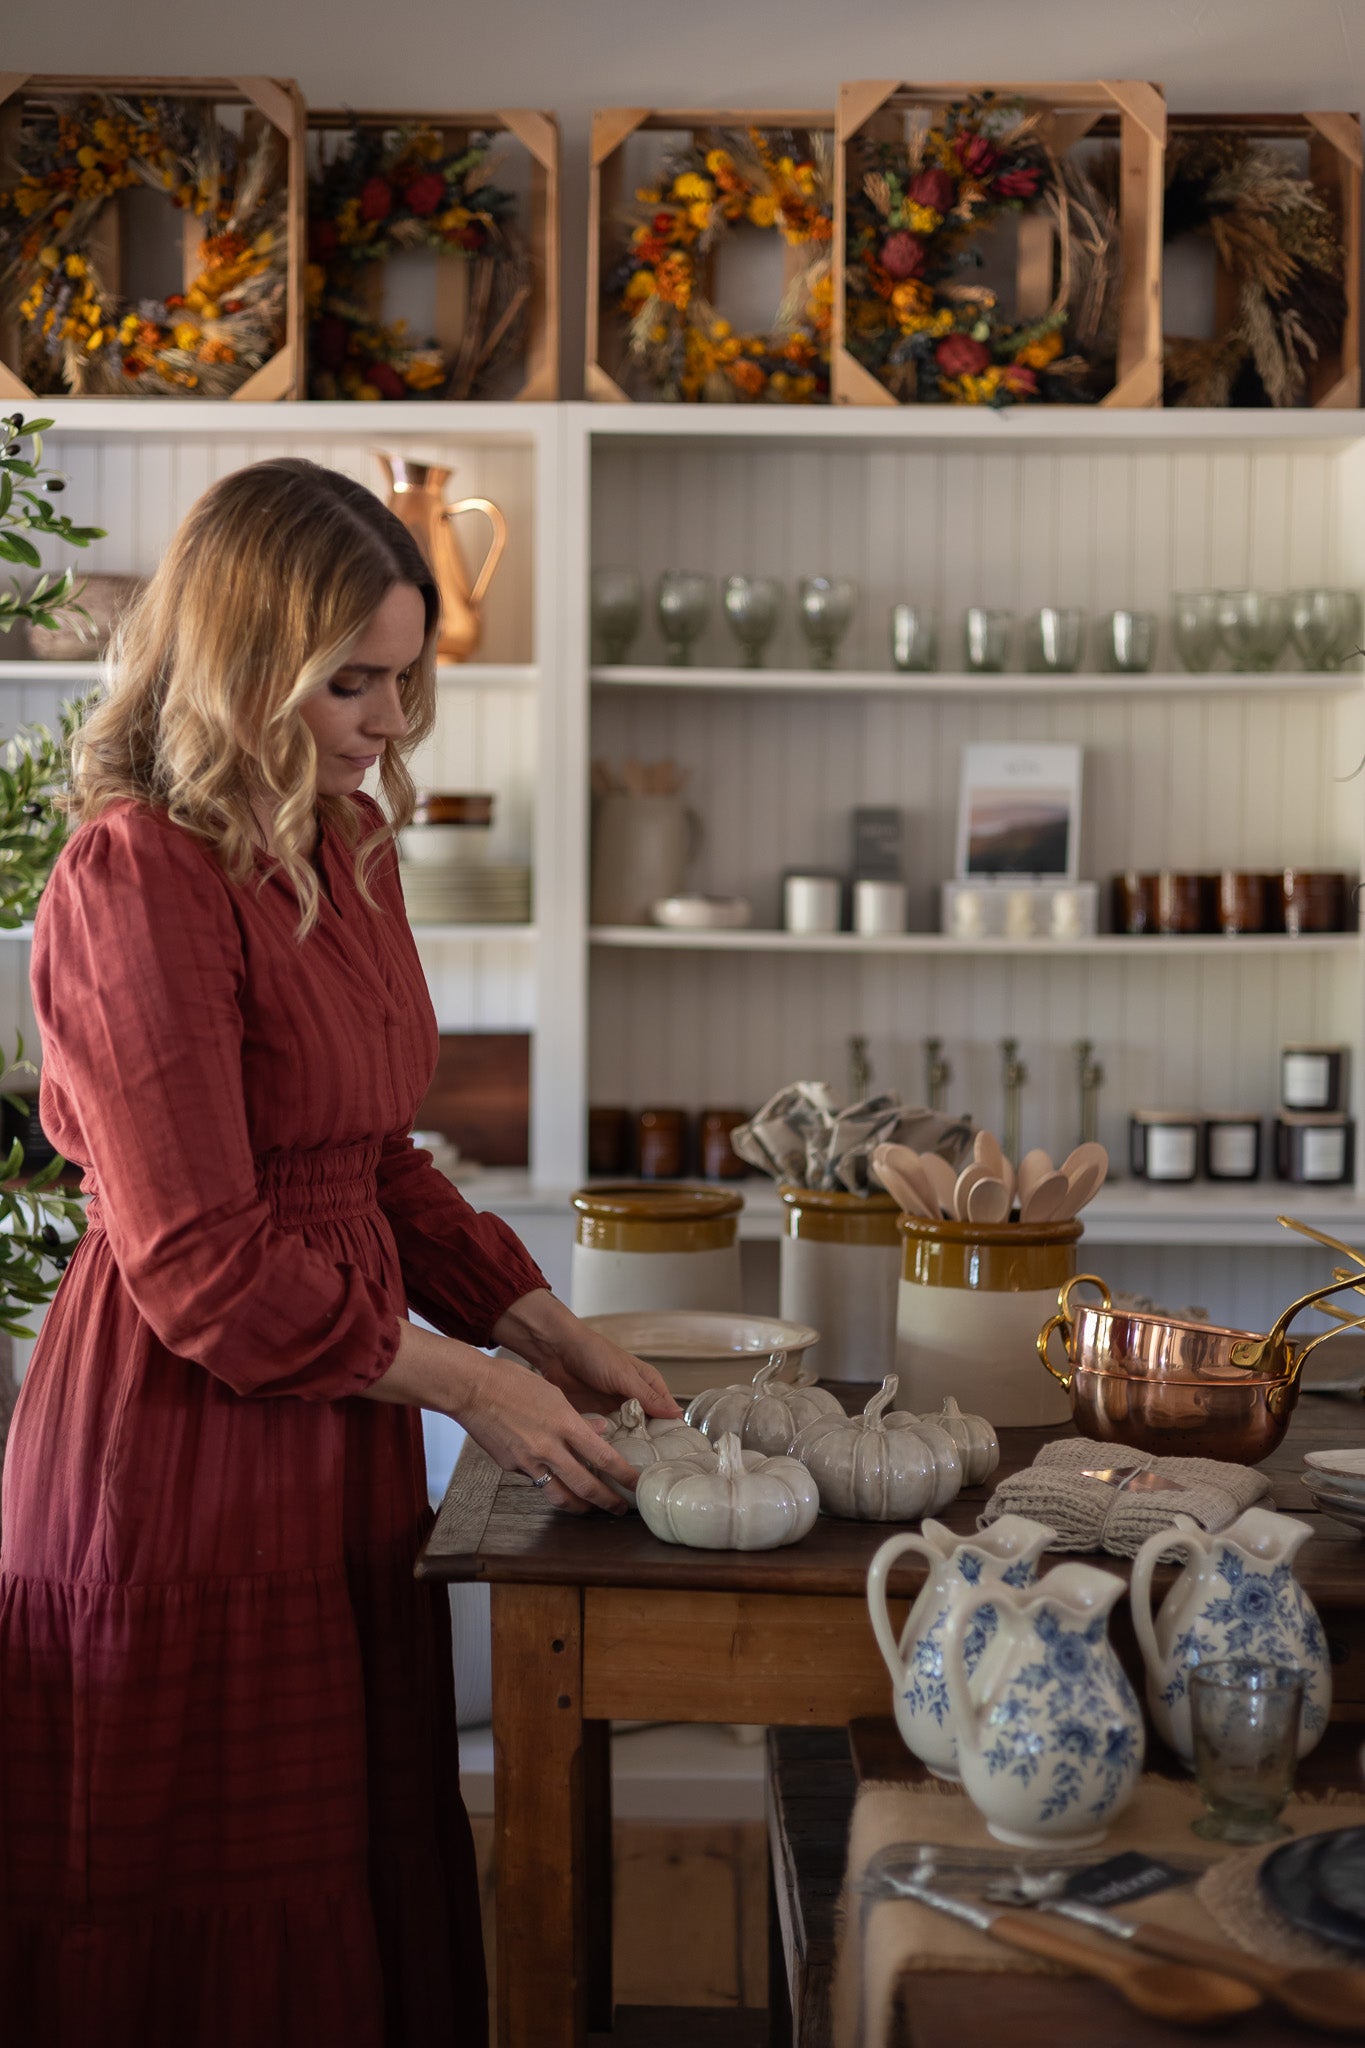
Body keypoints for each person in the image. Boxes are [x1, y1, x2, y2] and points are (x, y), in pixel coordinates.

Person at [0, 456, 680, 2048]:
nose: (388, 721)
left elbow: (372, 1162)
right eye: (352, 683)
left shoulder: (344, 843)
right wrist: (477, 1394)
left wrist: (546, 1332)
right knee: (205, 1890)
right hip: (181, 1447)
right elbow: (205, 1264)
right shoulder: (134, 875)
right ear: (243, 669)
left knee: (347, 1853)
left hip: (340, 1421)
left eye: (402, 680)